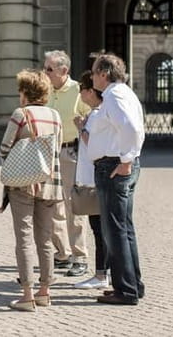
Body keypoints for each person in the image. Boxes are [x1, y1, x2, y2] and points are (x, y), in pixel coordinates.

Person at [0, 69, 62, 312]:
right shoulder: (55, 115)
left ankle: (27, 294)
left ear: (26, 91)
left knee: (24, 238)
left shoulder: (21, 114)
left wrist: (17, 164)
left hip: (23, 183)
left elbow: (5, 148)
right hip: (50, 183)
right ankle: (45, 291)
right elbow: (56, 149)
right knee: (45, 239)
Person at [89, 53, 145, 305]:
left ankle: (125, 290)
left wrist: (126, 160)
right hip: (117, 164)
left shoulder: (113, 95)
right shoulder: (123, 93)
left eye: (94, 72)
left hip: (113, 166)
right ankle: (133, 284)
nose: (92, 77)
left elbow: (131, 128)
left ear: (104, 73)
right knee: (124, 228)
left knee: (114, 230)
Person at [43, 50, 92, 277]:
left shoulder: (77, 91)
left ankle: (80, 257)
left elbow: (91, 120)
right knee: (51, 205)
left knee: (74, 206)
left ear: (64, 70)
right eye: (45, 68)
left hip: (70, 152)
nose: (45, 73)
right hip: (48, 153)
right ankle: (63, 253)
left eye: (49, 69)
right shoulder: (46, 90)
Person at [71, 71, 109, 290]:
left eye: (82, 91)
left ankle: (101, 274)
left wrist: (80, 128)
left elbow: (92, 143)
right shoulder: (98, 113)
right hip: (95, 177)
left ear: (90, 92)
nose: (81, 95)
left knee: (99, 229)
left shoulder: (96, 114)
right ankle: (104, 272)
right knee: (100, 229)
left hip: (94, 179)